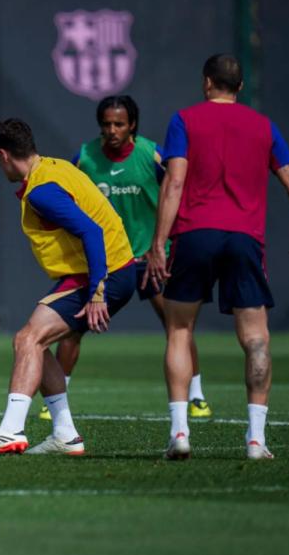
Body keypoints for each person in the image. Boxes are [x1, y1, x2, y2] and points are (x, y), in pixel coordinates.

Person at [146, 54, 289, 460]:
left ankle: (180, 433)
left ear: (207, 82)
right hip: (244, 239)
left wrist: (158, 242)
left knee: (179, 332)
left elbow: (174, 183)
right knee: (257, 339)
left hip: (194, 235)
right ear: (239, 88)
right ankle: (256, 440)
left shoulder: (184, 120)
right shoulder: (264, 126)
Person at [0, 118, 136, 457]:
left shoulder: (42, 190)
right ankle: (65, 435)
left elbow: (91, 232)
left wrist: (98, 291)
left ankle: (10, 430)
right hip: (102, 272)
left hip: (105, 274)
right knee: (34, 344)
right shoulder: (54, 167)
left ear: (3, 155)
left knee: (28, 339)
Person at [43, 96, 211, 422]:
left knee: (176, 325)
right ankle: (56, 398)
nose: (112, 130)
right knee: (72, 327)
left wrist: (163, 245)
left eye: (119, 124)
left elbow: (179, 192)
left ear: (131, 124)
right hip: (104, 261)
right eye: (106, 124)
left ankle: (197, 396)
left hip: (150, 258)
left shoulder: (151, 154)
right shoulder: (86, 157)